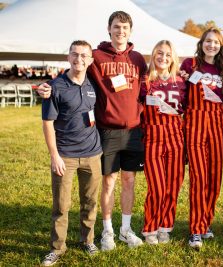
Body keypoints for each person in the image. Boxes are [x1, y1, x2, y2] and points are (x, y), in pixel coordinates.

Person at [37, 11, 148, 250]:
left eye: (125, 27)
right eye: (117, 27)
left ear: (130, 31)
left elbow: (146, 88)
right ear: (109, 29)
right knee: (109, 182)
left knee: (129, 181)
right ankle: (107, 232)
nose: (121, 31)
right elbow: (76, 66)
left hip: (134, 131)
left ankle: (126, 230)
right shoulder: (96, 55)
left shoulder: (138, 58)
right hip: (106, 130)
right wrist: (49, 85)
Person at [41, 40, 102, 266]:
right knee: (61, 205)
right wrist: (54, 156)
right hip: (65, 155)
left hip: (93, 154)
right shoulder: (55, 87)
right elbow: (48, 123)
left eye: (84, 55)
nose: (79, 59)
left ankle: (88, 241)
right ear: (68, 56)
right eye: (75, 54)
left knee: (90, 201)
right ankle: (57, 248)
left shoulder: (94, 84)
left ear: (91, 60)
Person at [180, 27, 223, 249]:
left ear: (220, 46)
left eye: (216, 42)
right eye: (208, 41)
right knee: (199, 177)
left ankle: (206, 221)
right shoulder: (189, 64)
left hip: (217, 125)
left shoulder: (222, 68)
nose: (211, 45)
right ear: (202, 43)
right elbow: (180, 92)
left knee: (214, 177)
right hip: (196, 124)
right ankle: (196, 229)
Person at [140, 40, 186, 245]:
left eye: (168, 54)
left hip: (176, 138)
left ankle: (165, 226)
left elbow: (189, 109)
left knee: (173, 185)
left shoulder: (181, 82)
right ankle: (150, 227)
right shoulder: (145, 81)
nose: (163, 58)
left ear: (173, 58)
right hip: (153, 138)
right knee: (157, 186)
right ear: (153, 55)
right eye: (160, 53)